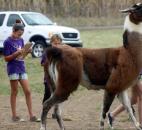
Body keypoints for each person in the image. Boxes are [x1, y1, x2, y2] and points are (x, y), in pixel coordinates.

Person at [3, 19, 38, 122]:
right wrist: (16, 54)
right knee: (15, 91)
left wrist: (27, 51)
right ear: (14, 30)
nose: (20, 36)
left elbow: (22, 56)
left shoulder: (21, 40)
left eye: (21, 34)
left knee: (28, 91)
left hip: (21, 68)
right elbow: (6, 58)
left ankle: (31, 115)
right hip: (13, 69)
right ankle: (14, 116)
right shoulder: (7, 42)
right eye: (19, 34)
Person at [41, 34, 62, 117]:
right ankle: (44, 110)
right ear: (51, 43)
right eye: (55, 43)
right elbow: (42, 63)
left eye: (58, 43)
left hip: (58, 78)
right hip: (48, 79)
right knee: (48, 94)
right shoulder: (46, 52)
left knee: (57, 95)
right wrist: (49, 62)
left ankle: (55, 113)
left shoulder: (61, 53)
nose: (57, 45)